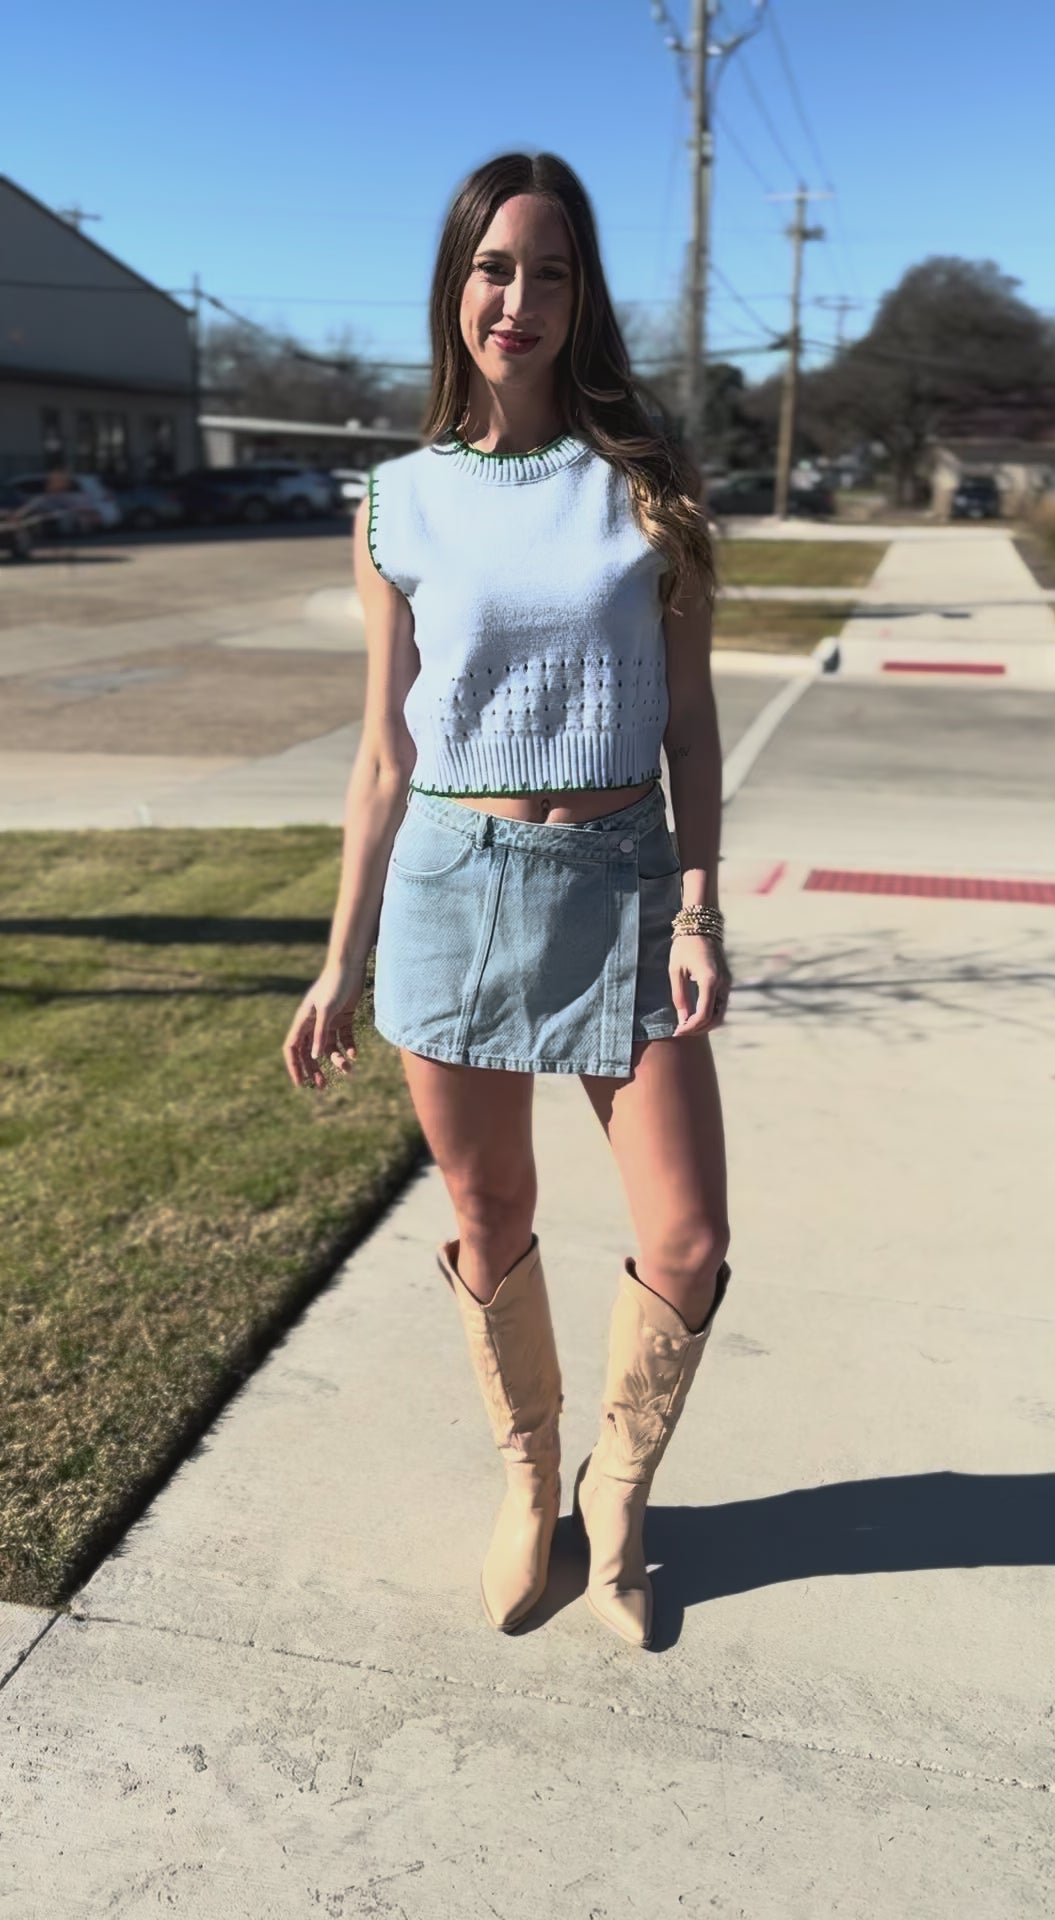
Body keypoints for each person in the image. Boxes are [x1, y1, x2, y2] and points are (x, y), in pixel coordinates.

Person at [283, 151, 732, 1651]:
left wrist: (697, 907)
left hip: (622, 884)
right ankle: (530, 1476)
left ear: (582, 294)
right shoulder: (396, 501)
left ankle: (623, 1492)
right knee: (491, 1208)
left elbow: (690, 726)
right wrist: (338, 964)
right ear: (455, 286)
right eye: (493, 268)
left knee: (687, 1235)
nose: (517, 300)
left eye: (550, 271)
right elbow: (384, 751)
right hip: (454, 884)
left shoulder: (650, 484)